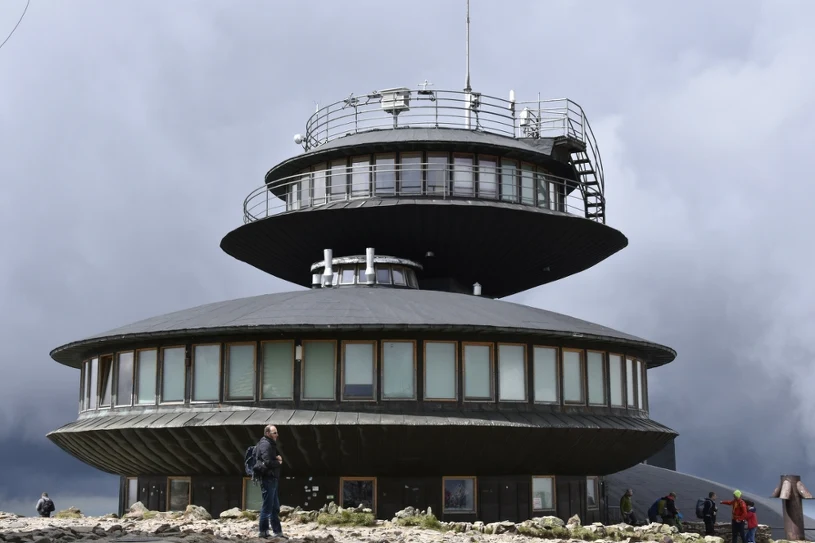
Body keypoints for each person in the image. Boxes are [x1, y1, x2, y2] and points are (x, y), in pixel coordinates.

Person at [256, 425, 286, 539]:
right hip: (268, 479)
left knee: (275, 508)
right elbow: (267, 462)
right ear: (268, 433)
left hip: (272, 479)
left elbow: (269, 460)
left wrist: (276, 458)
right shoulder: (265, 444)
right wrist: (278, 462)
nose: (277, 435)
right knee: (267, 507)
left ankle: (277, 532)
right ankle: (263, 532)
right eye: (274, 433)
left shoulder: (270, 444)